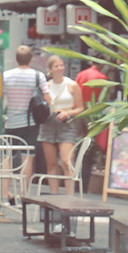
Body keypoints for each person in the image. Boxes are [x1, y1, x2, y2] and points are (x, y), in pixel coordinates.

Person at [0, 43, 48, 187]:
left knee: (6, 158)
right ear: (31, 59)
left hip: (10, 123)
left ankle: (4, 194)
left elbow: (0, 97)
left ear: (16, 59)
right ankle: (23, 195)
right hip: (30, 124)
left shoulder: (6, 76)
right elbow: (47, 98)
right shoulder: (38, 76)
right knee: (28, 159)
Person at [35, 55, 84, 193]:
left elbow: (80, 108)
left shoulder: (72, 85)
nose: (60, 68)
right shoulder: (46, 86)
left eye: (61, 65)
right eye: (56, 66)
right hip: (49, 122)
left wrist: (68, 113)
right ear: (50, 69)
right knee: (51, 163)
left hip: (67, 123)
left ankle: (69, 196)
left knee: (66, 161)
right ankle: (54, 194)